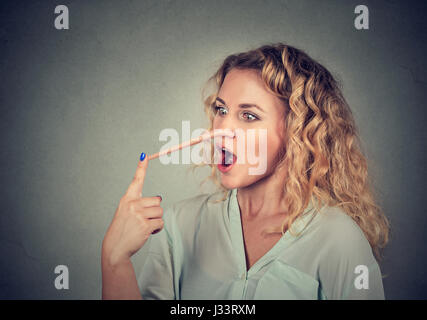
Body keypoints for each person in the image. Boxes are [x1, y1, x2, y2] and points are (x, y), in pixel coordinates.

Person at [101, 43, 390, 300]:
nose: (221, 129)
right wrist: (115, 262)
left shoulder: (338, 241)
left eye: (249, 116)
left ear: (298, 132)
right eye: (221, 110)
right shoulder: (177, 226)